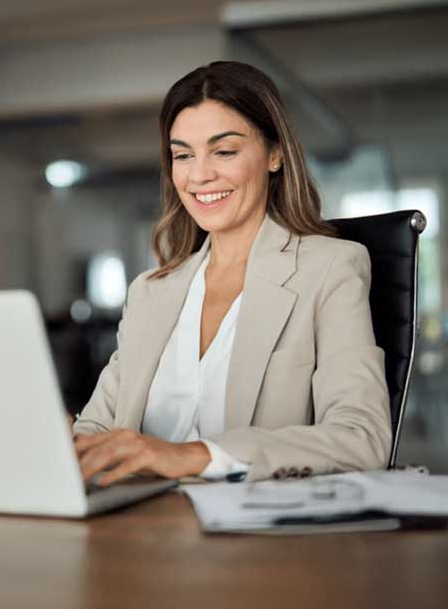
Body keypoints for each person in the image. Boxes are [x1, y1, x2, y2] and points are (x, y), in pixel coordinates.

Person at [72, 61, 391, 483]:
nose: (200, 174)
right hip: (140, 526)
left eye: (224, 151)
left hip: (253, 536)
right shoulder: (151, 292)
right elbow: (97, 430)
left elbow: (361, 437)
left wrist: (194, 456)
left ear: (274, 154)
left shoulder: (329, 269)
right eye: (183, 155)